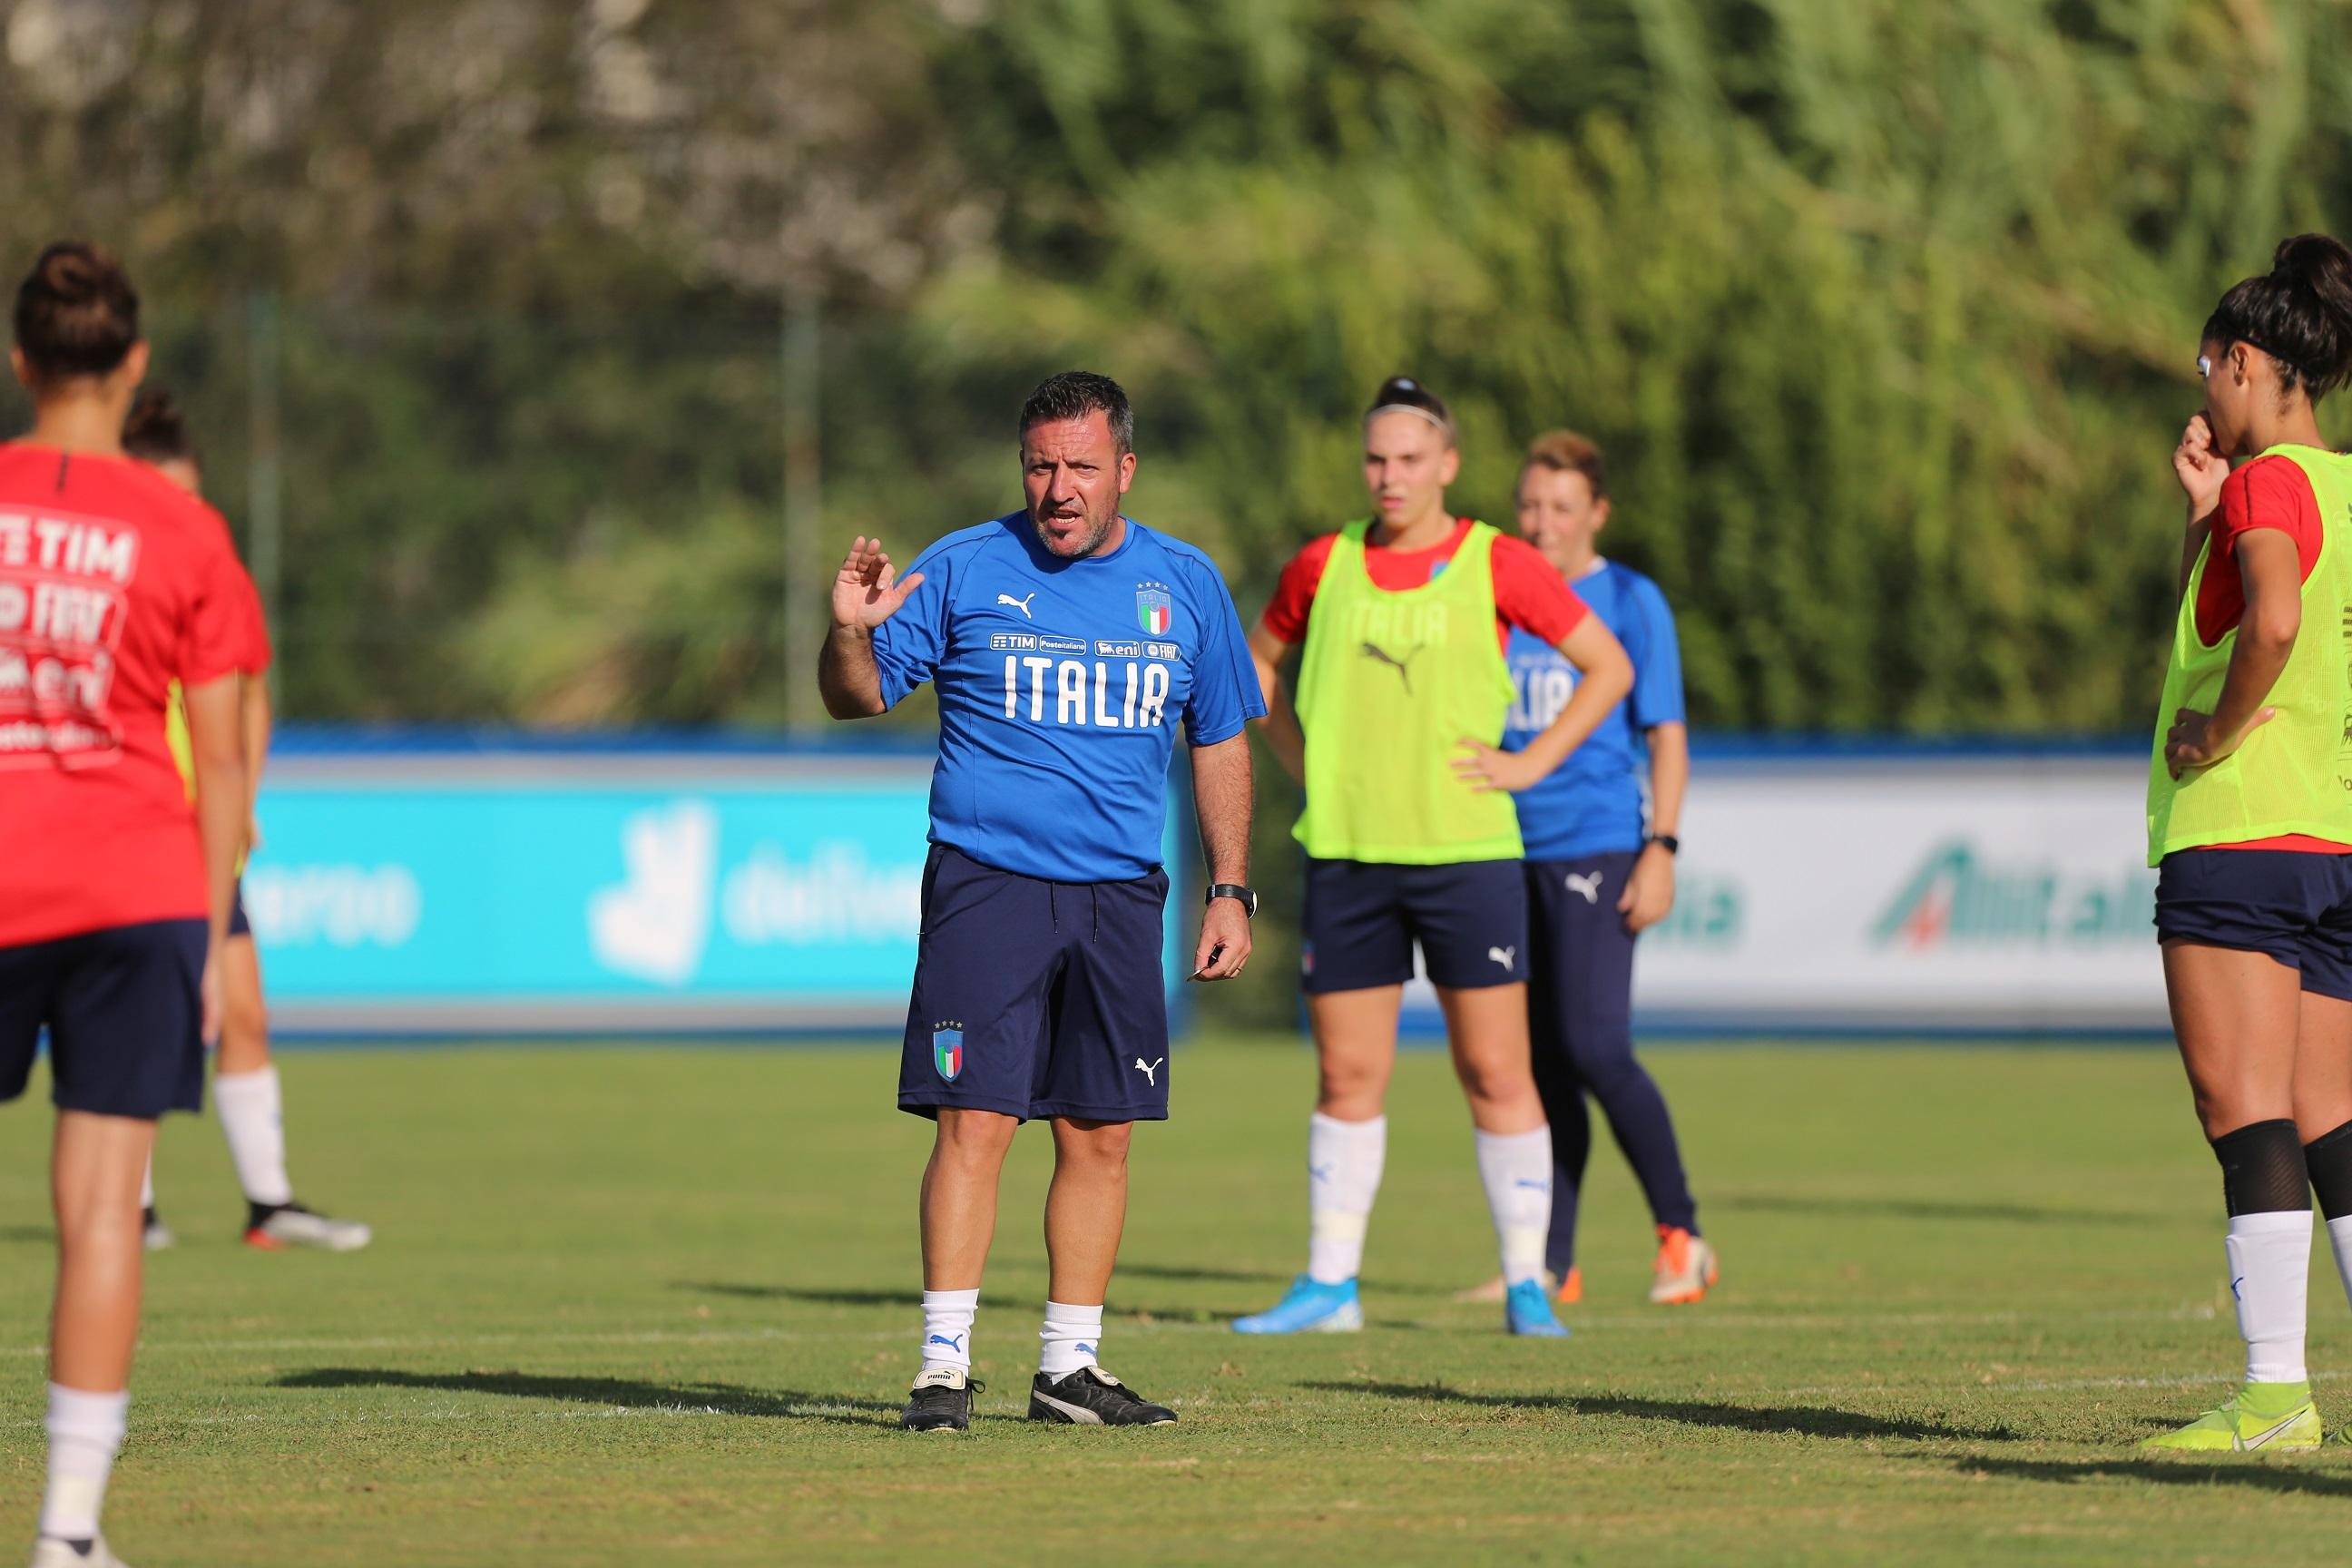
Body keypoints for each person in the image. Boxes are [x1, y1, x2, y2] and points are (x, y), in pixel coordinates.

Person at [818, 370, 1263, 1432]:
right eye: (1040, 465)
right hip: (990, 884)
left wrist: (1231, 887)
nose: (1058, 487)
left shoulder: (1187, 583)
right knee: (975, 1121)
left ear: (1125, 472)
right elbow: (860, 695)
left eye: (1081, 467)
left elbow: (1220, 736)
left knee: (1102, 1133)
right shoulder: (967, 566)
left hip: (1120, 897)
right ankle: (940, 1366)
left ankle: (1069, 1369)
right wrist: (847, 631)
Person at [1232, 377, 1632, 1338]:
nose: (1390, 477)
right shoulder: (1322, 564)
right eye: (1376, 459)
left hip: (1467, 856)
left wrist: (1530, 762)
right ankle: (1332, 1284)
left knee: (1497, 1070)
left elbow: (1607, 666)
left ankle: (1527, 1281)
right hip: (1351, 854)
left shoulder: (1497, 560)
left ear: (1447, 465)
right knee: (1347, 1076)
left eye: (1410, 460)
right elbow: (1256, 669)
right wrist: (1306, 764)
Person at [0, 241, 250, 1568]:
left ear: (22, 360)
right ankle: (67, 1531)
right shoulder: (185, 531)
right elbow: (221, 762)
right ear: (134, 361)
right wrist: (210, 943)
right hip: (135, 888)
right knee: (101, 1208)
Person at [2142, 232, 2352, 1453]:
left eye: (2212, 363)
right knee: (2332, 1119)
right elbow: (2239, 608)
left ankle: (2276, 1395)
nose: (2205, 384)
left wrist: (2217, 735)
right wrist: (2203, 517)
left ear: (2246, 362)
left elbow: (2265, 620)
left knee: (2246, 1112)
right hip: (2331, 838)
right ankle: (2280, 1395)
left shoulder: (2273, 483)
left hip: (2242, 837)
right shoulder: (2330, 486)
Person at [1456, 431, 1717, 1308]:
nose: (1542, 522)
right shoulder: (1493, 591)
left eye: (1561, 507)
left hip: (1598, 842)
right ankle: (1547, 1264)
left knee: (1598, 1047)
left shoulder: (1631, 600)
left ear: (1596, 513)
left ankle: (1683, 1235)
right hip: (1499, 848)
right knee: (1535, 1063)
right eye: (1530, 504)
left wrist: (1663, 847)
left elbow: (1666, 736)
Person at [122, 388, 370, 1254]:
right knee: (143, 1019)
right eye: (167, 496)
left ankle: (268, 1205)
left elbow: (251, 692)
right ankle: (134, 1207)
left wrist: (242, 798)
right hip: (132, 832)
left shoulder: (212, 571)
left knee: (243, 1014)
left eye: (193, 496)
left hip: (205, 838)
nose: (184, 513)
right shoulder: (117, 583)